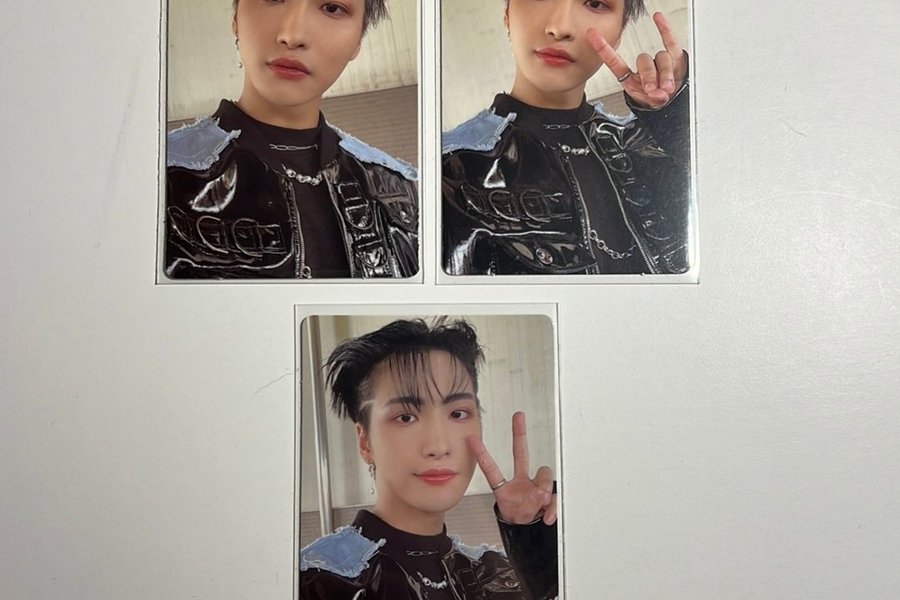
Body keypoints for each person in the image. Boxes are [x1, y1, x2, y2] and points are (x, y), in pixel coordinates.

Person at [300, 319, 559, 599]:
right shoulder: (318, 581)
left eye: (457, 413)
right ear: (365, 441)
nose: (438, 446)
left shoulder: (496, 572)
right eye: (406, 417)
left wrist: (532, 540)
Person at [165, 0, 418, 279]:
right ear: (236, 18)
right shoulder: (156, 174)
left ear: (358, 40)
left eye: (332, 8)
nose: (292, 36)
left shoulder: (397, 186)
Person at [442, 0, 692, 275]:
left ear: (619, 35)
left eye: (595, 3)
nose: (559, 28)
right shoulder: (449, 168)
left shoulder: (650, 145)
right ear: (507, 15)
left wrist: (675, 117)